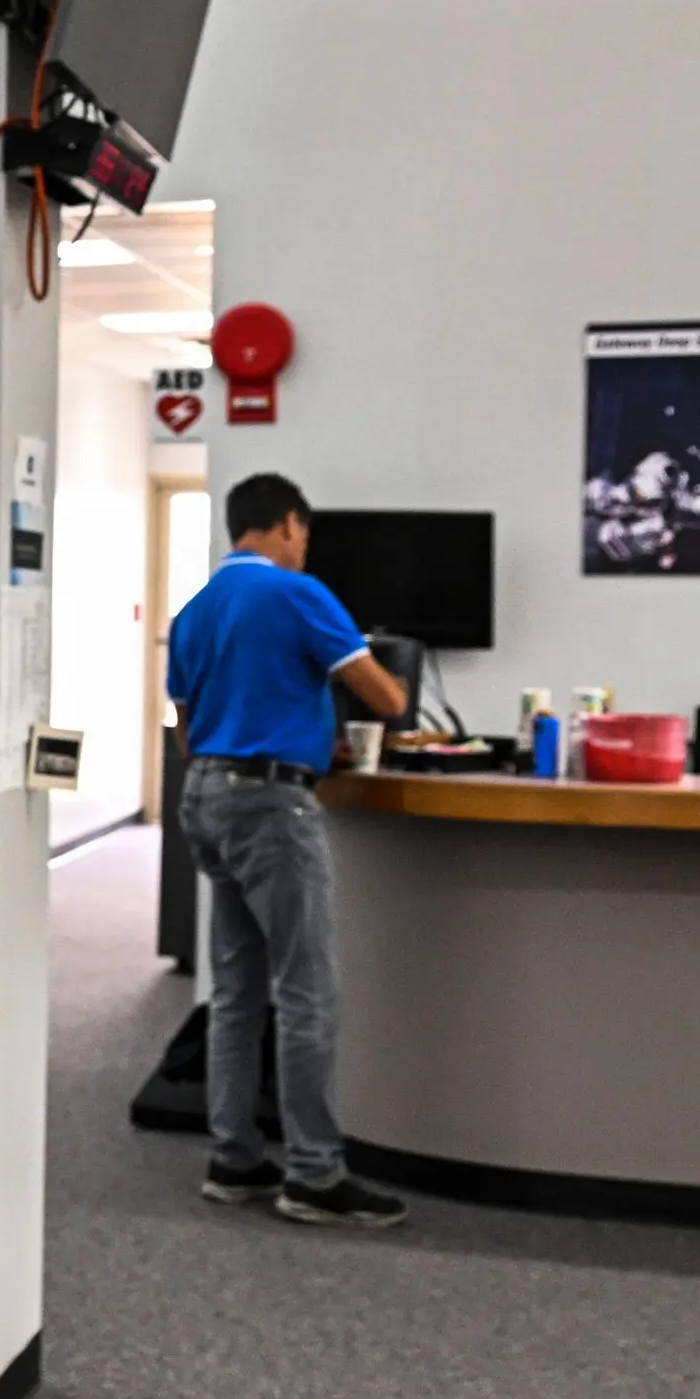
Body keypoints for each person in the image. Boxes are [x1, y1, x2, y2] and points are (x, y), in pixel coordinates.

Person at [165, 472, 410, 1227]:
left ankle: (233, 1158)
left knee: (237, 991)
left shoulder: (194, 609)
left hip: (204, 794)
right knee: (307, 991)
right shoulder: (298, 593)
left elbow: (185, 721)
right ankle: (313, 1173)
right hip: (271, 805)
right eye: (304, 535)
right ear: (289, 525)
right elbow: (387, 697)